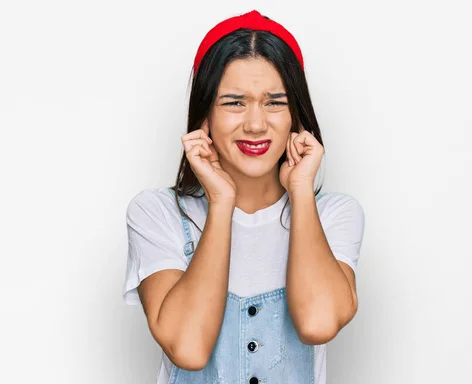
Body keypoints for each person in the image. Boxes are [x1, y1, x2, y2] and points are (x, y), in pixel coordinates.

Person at [122, 9, 366, 384]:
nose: (255, 124)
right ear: (204, 117)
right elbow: (188, 348)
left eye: (275, 102)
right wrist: (221, 200)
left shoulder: (335, 215)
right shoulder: (157, 213)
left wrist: (300, 191)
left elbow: (318, 323)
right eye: (235, 102)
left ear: (296, 118)